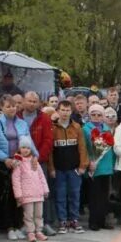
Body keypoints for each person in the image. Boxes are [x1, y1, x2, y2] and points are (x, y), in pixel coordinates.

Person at [0, 95, 37, 241]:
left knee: (20, 195)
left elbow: (29, 142)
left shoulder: (22, 123)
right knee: (6, 196)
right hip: (2, 164)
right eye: (8, 106)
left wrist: (35, 156)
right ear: (1, 108)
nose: (12, 109)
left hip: (20, 162)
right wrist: (5, 159)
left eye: (14, 106)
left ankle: (19, 224)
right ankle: (8, 226)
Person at [50, 100, 89, 234]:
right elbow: (50, 151)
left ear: (71, 112)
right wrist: (51, 168)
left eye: (67, 110)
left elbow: (82, 148)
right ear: (58, 111)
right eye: (62, 110)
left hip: (74, 169)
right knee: (60, 195)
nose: (65, 113)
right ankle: (62, 221)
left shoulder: (77, 127)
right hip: (59, 169)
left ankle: (74, 220)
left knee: (74, 194)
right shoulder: (53, 128)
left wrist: (83, 165)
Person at [21, 92, 56, 235]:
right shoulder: (17, 117)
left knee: (42, 193)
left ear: (39, 103)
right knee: (23, 194)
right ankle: (25, 225)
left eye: (35, 101)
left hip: (39, 162)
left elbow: (48, 141)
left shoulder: (44, 118)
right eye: (29, 101)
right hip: (21, 161)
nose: (32, 104)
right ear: (24, 101)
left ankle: (45, 223)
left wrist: (38, 157)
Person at [83, 105, 115, 231]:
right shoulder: (85, 129)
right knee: (94, 195)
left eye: (99, 115)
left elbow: (110, 147)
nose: (96, 117)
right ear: (89, 116)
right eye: (93, 114)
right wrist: (90, 161)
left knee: (104, 195)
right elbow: (84, 147)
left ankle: (102, 220)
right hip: (94, 166)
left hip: (106, 166)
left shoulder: (107, 129)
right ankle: (93, 221)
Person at [10, 138, 49, 241]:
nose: (26, 150)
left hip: (38, 193)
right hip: (26, 195)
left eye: (28, 148)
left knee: (39, 214)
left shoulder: (34, 161)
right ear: (19, 149)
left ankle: (39, 231)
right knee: (28, 215)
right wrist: (18, 195)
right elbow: (16, 179)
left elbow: (41, 176)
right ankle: (30, 232)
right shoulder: (18, 163)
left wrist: (45, 189)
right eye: (23, 147)